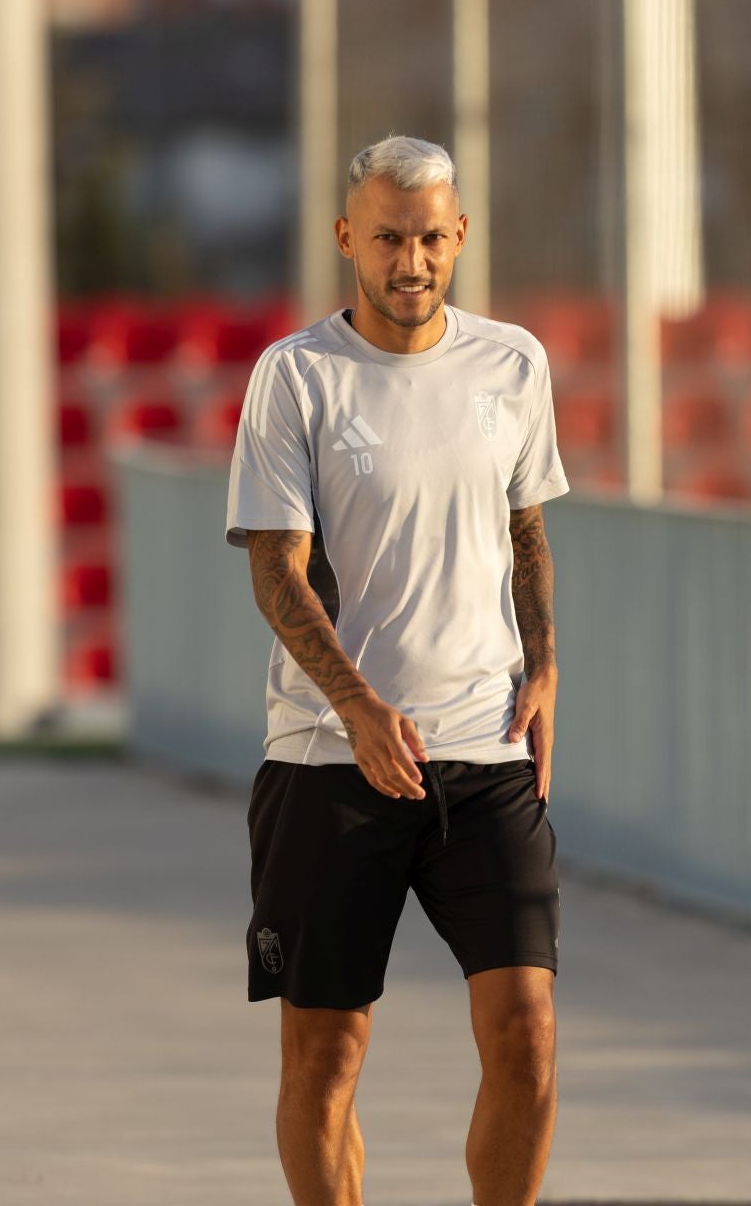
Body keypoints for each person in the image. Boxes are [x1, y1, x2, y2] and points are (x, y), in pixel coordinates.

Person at [224, 135, 569, 1206]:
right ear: (347, 240)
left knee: (528, 1034)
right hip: (333, 760)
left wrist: (547, 666)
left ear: (459, 235)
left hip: (486, 751)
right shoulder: (296, 376)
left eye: (429, 238)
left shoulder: (513, 363)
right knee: (325, 1059)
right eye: (386, 238)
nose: (409, 262)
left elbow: (525, 530)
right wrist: (360, 706)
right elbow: (277, 575)